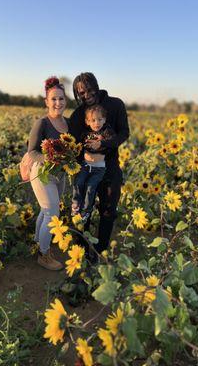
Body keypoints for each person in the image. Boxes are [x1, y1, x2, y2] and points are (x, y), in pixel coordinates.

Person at [69, 72, 130, 256]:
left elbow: (124, 133)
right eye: (81, 93)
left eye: (89, 90)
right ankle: (81, 250)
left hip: (110, 167)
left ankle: (100, 250)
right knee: (82, 210)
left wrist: (103, 144)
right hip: (85, 168)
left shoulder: (115, 104)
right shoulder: (78, 114)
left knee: (108, 210)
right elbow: (71, 142)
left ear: (96, 86)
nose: (86, 95)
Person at [28, 76, 68, 271]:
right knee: (52, 214)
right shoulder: (42, 123)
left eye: (61, 99)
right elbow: (32, 152)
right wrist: (48, 159)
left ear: (65, 101)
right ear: (46, 101)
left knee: (46, 211)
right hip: (42, 173)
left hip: (60, 175)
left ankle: (38, 242)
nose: (57, 103)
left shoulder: (68, 124)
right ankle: (44, 255)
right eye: (53, 99)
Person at [72, 104, 115, 222]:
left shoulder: (106, 133)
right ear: (87, 122)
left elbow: (112, 141)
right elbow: (80, 144)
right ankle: (76, 204)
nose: (97, 123)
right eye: (93, 120)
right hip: (85, 165)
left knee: (91, 188)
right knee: (79, 182)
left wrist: (102, 142)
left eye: (100, 119)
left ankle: (86, 210)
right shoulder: (85, 134)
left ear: (104, 120)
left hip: (99, 169)